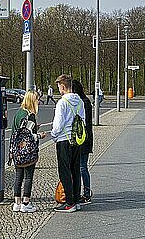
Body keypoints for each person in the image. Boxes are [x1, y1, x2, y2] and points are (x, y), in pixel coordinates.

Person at [51, 74, 85, 213]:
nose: (59, 90)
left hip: (64, 140)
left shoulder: (62, 102)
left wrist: (53, 135)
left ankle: (69, 202)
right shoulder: (80, 101)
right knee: (75, 170)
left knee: (64, 171)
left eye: (59, 87)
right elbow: (82, 120)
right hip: (76, 140)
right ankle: (77, 200)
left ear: (63, 86)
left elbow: (58, 124)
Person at [11, 90, 46, 213]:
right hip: (28, 152)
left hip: (17, 151)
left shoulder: (18, 113)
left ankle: (17, 203)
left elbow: (18, 133)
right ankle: (26, 203)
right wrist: (40, 135)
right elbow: (30, 137)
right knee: (28, 177)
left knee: (18, 176)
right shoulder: (30, 115)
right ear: (32, 100)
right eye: (37, 99)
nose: (39, 102)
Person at [72, 79, 93, 205]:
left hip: (83, 139)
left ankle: (85, 193)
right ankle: (83, 192)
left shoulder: (83, 103)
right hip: (85, 138)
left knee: (82, 167)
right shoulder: (85, 102)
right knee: (81, 167)